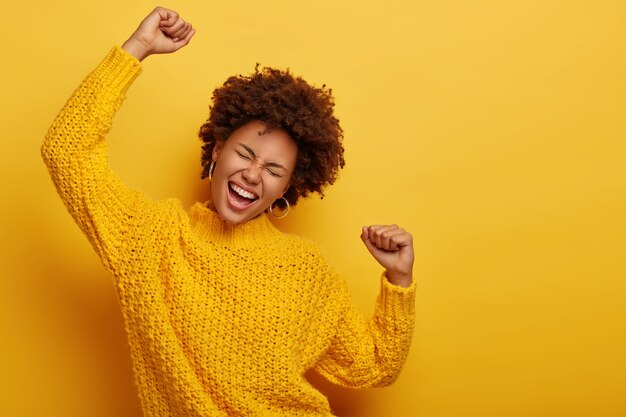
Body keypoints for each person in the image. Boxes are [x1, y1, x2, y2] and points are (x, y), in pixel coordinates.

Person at [42, 7, 416, 417]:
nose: (253, 175)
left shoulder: (307, 273)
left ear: (286, 188)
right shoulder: (149, 236)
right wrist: (137, 49)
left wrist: (398, 279)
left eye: (274, 170)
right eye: (244, 154)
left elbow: (374, 365)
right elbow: (66, 150)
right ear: (218, 151)